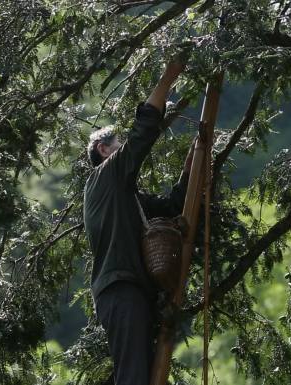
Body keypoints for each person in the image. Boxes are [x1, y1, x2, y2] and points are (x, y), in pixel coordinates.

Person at [83, 57, 192, 385]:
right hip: (121, 289)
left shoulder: (127, 197)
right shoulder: (105, 176)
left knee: (136, 374)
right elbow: (142, 134)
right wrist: (167, 78)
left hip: (132, 292)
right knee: (134, 378)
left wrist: (192, 169)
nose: (123, 148)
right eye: (117, 145)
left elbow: (171, 207)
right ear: (104, 150)